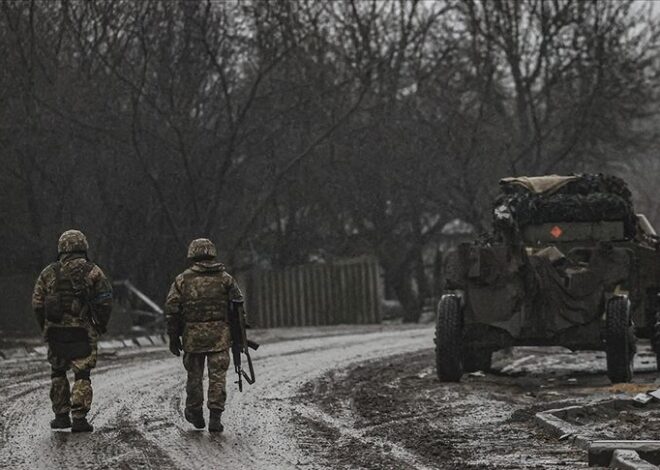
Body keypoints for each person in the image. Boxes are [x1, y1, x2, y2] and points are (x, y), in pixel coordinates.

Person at [32, 229, 113, 432]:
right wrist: (100, 324)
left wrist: (45, 327)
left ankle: (60, 416)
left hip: (55, 332)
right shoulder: (93, 271)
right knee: (82, 374)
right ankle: (79, 418)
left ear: (61, 248)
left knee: (58, 372)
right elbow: (105, 300)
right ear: (83, 247)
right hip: (83, 332)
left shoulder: (48, 272)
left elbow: (37, 303)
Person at [165, 238, 244, 433]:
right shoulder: (226, 279)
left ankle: (195, 412)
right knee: (218, 377)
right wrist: (239, 335)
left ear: (192, 254)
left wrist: (173, 337)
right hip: (220, 336)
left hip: (193, 337)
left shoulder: (182, 279)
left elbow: (172, 309)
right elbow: (238, 307)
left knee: (194, 376)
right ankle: (215, 416)